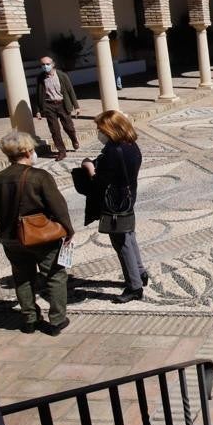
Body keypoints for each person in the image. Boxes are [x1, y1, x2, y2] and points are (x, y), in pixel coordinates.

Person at [0, 131, 75, 335]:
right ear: (27, 151)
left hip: (10, 237)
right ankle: (57, 320)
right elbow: (58, 207)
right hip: (41, 236)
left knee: (22, 277)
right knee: (54, 275)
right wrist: (68, 229)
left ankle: (30, 319)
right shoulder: (39, 176)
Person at [81, 110, 147, 303]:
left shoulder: (113, 151)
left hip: (115, 204)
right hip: (128, 197)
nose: (99, 132)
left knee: (121, 243)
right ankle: (140, 272)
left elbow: (100, 182)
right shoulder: (131, 145)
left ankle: (134, 286)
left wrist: (90, 168)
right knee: (129, 235)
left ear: (110, 129)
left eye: (100, 129)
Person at [33, 56, 80, 161]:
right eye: (43, 64)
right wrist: (38, 111)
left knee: (68, 127)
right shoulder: (40, 78)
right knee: (54, 130)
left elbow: (70, 91)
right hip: (49, 105)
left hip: (62, 104)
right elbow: (38, 94)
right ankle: (62, 151)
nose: (45, 66)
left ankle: (74, 139)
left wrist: (76, 106)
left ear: (53, 64)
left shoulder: (62, 75)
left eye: (47, 64)